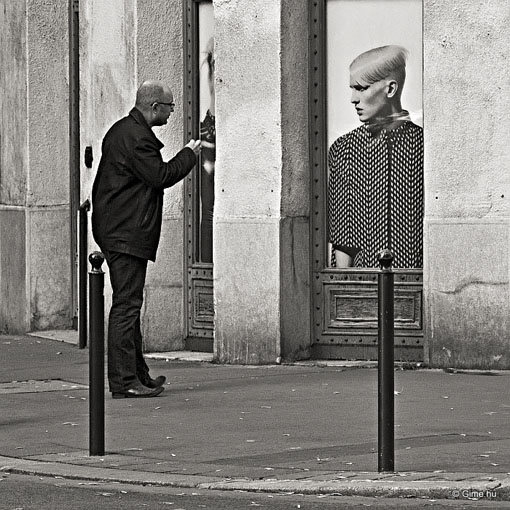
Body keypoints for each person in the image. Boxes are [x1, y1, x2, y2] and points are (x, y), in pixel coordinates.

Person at [92, 80, 201, 399]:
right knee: (126, 306)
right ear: (154, 107)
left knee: (129, 305)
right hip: (124, 232)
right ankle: (125, 381)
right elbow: (160, 176)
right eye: (169, 107)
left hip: (118, 229)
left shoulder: (123, 130)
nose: (172, 112)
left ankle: (138, 374)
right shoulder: (137, 138)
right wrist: (189, 155)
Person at [328, 45, 423, 269]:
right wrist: (345, 285)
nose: (353, 99)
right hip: (363, 282)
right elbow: (342, 240)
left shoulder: (423, 146)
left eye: (361, 88)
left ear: (390, 89)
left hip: (414, 282)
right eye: (352, 89)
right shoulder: (344, 149)